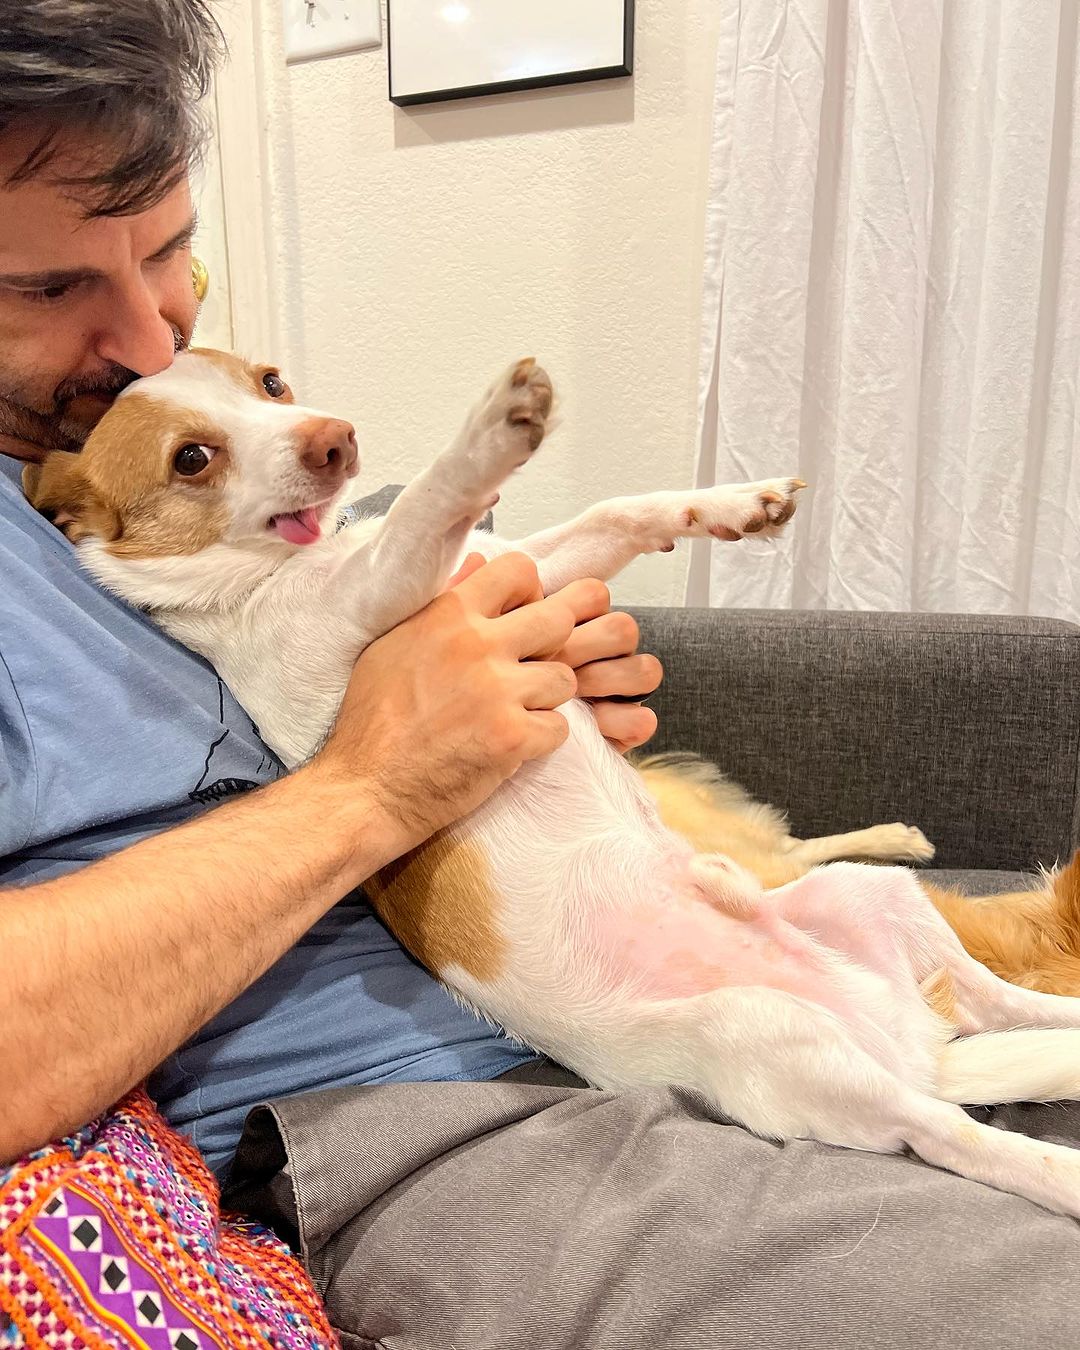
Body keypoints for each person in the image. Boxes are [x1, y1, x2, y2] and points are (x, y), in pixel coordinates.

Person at [3, 6, 1080, 1349]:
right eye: (45, 290)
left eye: (170, 250)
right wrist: (381, 781)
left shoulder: (159, 446)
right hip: (436, 1118)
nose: (153, 338)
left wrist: (519, 670)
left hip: (627, 978)